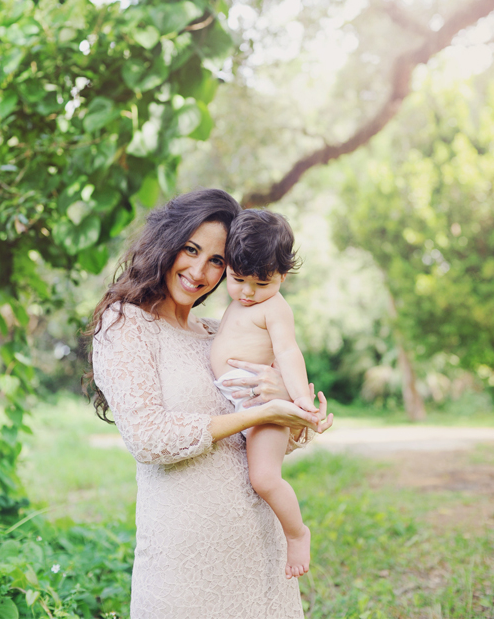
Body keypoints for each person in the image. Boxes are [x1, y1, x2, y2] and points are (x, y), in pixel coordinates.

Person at [86, 188, 333, 619]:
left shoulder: (219, 332)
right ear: (167, 243)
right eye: (191, 249)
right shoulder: (126, 325)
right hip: (184, 566)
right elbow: (149, 439)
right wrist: (260, 411)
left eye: (217, 261)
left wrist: (292, 408)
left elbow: (274, 438)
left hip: (259, 551)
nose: (199, 271)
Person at [210, 208, 329, 580]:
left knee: (264, 478)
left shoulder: (275, 308)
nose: (247, 292)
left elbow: (288, 353)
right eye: (237, 279)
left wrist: (301, 401)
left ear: (283, 275)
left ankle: (297, 533)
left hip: (264, 407)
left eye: (261, 284)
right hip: (240, 406)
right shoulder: (235, 302)